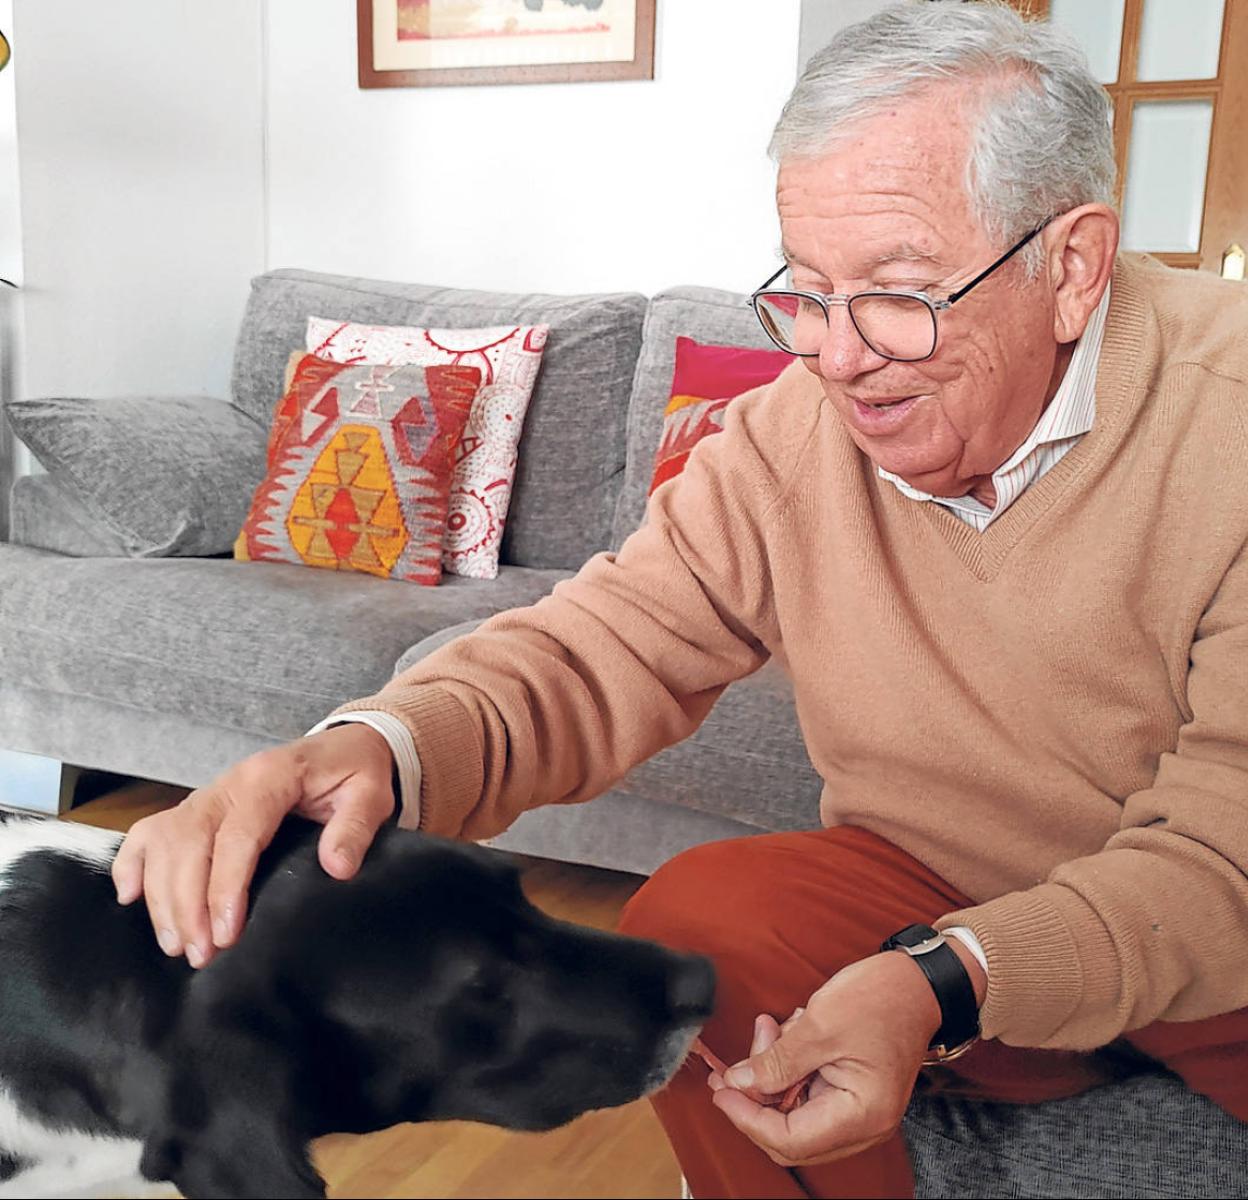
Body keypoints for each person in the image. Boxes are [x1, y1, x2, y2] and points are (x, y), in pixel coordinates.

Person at [112, 3, 1248, 1197]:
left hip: (1203, 934)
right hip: (934, 885)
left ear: (1071, 267)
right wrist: (376, 751)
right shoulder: (794, 435)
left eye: (898, 293)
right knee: (704, 923)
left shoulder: (1224, 419)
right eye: (808, 291)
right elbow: (604, 642)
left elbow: (1224, 859)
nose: (838, 357)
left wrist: (950, 978)